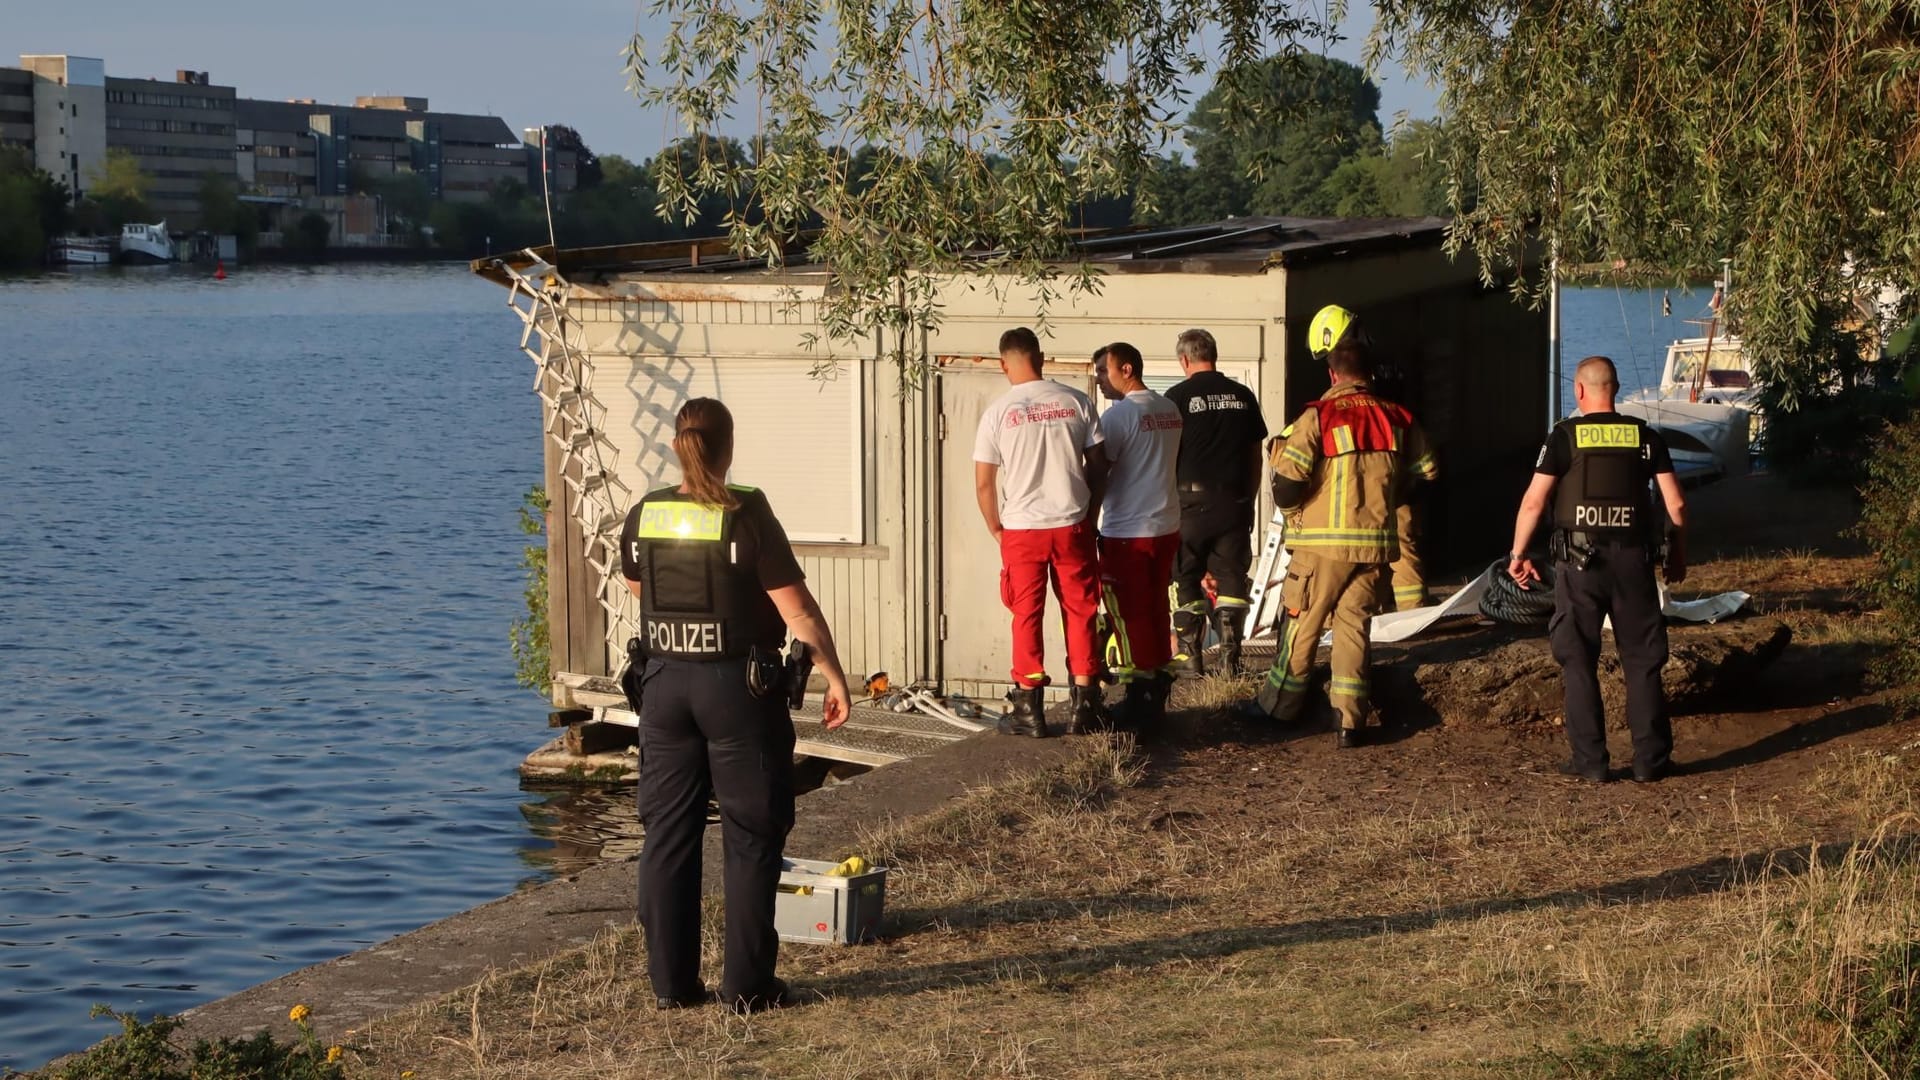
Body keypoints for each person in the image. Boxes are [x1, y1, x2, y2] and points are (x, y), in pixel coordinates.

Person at [619, 398, 854, 1014]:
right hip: (737, 692)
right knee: (750, 836)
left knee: (667, 835)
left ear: (677, 445)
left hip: (664, 686)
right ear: (728, 449)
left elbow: (641, 590)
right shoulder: (745, 511)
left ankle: (672, 986)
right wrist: (832, 674)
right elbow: (796, 610)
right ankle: (747, 987)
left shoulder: (645, 513)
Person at [1241, 305, 1437, 747]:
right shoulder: (1398, 418)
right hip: (1375, 549)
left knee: (1302, 621)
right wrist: (1388, 498)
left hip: (1322, 548)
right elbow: (1427, 474)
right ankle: (1349, 721)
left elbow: (1287, 487)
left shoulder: (1319, 417)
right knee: (1354, 627)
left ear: (1332, 374)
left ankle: (1279, 708)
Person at [1508, 356, 1687, 783]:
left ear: (1579, 391)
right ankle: (1650, 763)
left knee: (1578, 660)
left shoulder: (1564, 438)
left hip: (1579, 563)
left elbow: (1534, 502)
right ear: (1617, 387)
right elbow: (1675, 504)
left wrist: (1518, 554)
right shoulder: (1646, 437)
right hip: (1633, 563)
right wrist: (1676, 554)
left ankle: (1590, 762)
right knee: (1643, 661)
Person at [973, 327, 1109, 736]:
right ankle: (1085, 703)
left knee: (1026, 614)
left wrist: (996, 527)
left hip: (1022, 529)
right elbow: (1100, 463)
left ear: (1003, 364)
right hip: (1071, 523)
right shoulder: (1077, 401)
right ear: (1042, 356)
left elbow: (983, 483)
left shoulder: (998, 413)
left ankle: (1029, 708)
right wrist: (1090, 511)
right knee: (1081, 609)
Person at [1162, 328, 1267, 676]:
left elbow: (1165, 456)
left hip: (1189, 502)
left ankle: (1191, 658)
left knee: (1186, 576)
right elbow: (1256, 456)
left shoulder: (1175, 397)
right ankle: (1230, 656)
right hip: (1233, 500)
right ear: (1214, 355)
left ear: (1184, 360)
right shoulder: (1243, 395)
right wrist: (1248, 499)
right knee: (1231, 575)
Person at [1092, 342, 1183, 727]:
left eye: (1102, 371)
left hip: (1127, 530)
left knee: (1127, 614)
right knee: (1156, 606)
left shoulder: (1119, 417)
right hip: (1165, 525)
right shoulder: (1169, 409)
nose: (1099, 380)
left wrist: (1086, 517)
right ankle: (1158, 679)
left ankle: (1138, 692)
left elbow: (1099, 472)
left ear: (1126, 369)